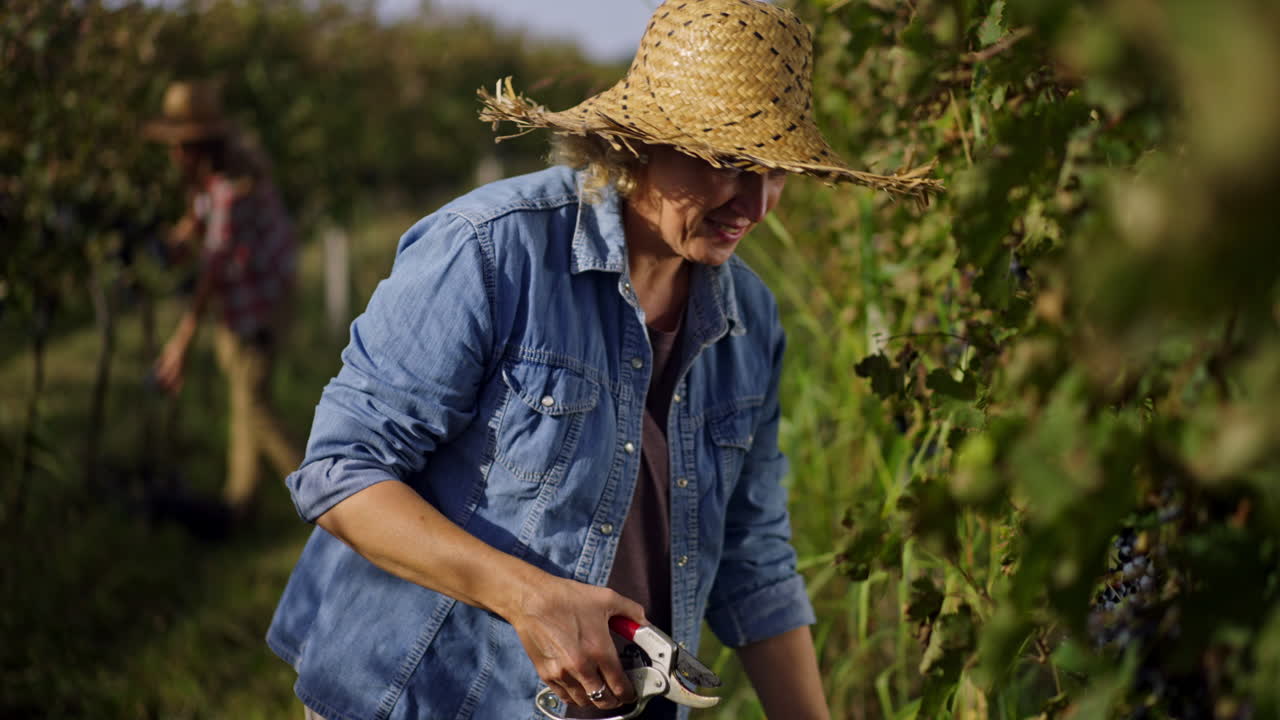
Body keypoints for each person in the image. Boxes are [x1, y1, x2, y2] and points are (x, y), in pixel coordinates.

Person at [268, 1, 935, 718]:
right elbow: (342, 474)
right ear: (641, 140)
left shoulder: (750, 322)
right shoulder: (494, 252)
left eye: (777, 173)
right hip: (427, 696)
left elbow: (753, 554)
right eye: (732, 165)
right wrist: (529, 598)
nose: (757, 204)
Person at [145, 80, 302, 525]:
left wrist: (180, 344)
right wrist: (179, 237)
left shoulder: (234, 186)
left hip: (260, 304)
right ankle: (239, 503)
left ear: (199, 146)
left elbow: (214, 267)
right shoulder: (214, 175)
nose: (174, 154)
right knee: (244, 400)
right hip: (250, 299)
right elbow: (200, 213)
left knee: (255, 405)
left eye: (180, 146)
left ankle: (335, 504)